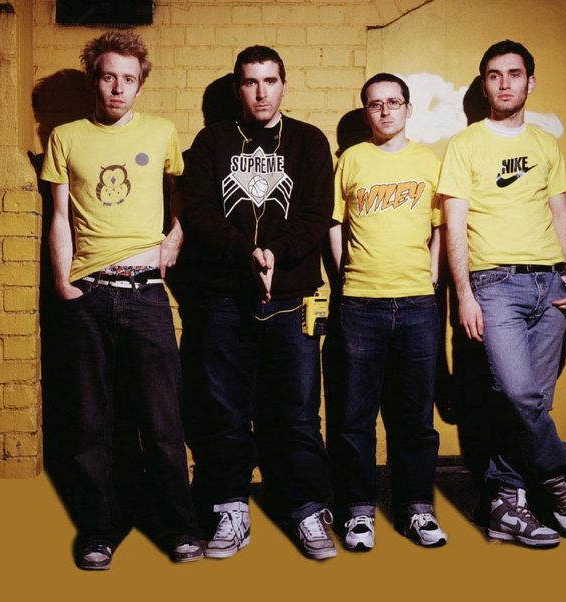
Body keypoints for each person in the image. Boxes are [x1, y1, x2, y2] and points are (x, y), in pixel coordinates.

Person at [41, 31, 201, 569]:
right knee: (90, 423)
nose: (118, 88)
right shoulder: (65, 137)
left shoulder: (161, 132)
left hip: (147, 294)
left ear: (139, 85)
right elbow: (60, 216)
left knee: (162, 421)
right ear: (95, 79)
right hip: (88, 295)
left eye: (128, 79)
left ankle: (179, 528)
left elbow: (180, 193)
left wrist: (175, 236)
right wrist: (63, 283)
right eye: (109, 76)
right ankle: (99, 531)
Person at [181, 46, 336, 560]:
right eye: (251, 82)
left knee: (296, 414)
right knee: (222, 411)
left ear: (284, 85)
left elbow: (316, 212)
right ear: (237, 89)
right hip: (223, 297)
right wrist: (246, 254)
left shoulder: (309, 141)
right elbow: (200, 212)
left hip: (291, 299)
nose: (262, 92)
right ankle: (231, 507)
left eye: (271, 81)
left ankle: (306, 508)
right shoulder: (212, 141)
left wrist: (275, 253)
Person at [439, 40, 566, 548]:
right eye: (494, 75)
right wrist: (464, 294)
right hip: (494, 285)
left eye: (514, 73)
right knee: (518, 393)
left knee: (530, 400)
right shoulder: (465, 145)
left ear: (530, 82)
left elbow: (560, 212)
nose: (504, 83)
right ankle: (557, 471)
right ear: (484, 85)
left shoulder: (545, 144)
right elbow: (453, 224)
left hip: (550, 284)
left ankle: (506, 504)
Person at [328, 73, 447, 551]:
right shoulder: (351, 160)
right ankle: (359, 512)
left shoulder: (429, 161)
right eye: (375, 104)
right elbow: (334, 222)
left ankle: (417, 510)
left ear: (408, 108)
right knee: (354, 416)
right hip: (360, 304)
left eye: (393, 102)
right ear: (366, 113)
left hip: (418, 304)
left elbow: (441, 225)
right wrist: (346, 275)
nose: (385, 111)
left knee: (414, 417)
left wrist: (432, 276)